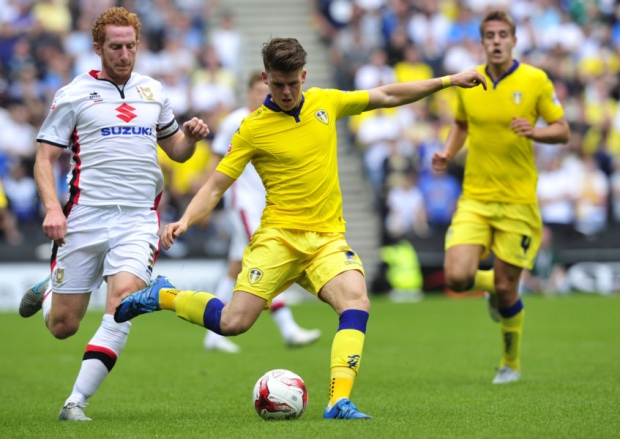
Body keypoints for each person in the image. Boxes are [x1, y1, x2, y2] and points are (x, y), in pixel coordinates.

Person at [115, 37, 485, 420]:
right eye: (278, 84)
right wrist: (185, 220)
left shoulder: (326, 102)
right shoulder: (252, 129)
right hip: (278, 238)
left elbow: (387, 94)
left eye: (293, 82)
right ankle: (163, 295)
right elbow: (215, 186)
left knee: (356, 301)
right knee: (232, 322)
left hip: (326, 239)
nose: (287, 91)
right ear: (265, 78)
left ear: (304, 76)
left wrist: (448, 80)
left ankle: (338, 401)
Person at [18, 7, 209, 421]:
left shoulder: (153, 91)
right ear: (98, 48)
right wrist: (53, 208)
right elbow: (44, 158)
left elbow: (175, 150)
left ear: (139, 45)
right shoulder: (73, 93)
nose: (124, 54)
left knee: (123, 301)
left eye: (130, 46)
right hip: (84, 216)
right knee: (62, 326)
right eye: (115, 47)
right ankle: (50, 290)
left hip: (138, 219)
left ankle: (75, 403)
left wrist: (190, 139)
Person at [432, 10, 571, 385]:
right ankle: (494, 288)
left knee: (510, 287)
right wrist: (448, 151)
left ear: (513, 40)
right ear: (482, 42)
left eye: (502, 34)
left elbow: (563, 130)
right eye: (489, 35)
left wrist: (535, 133)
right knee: (457, 277)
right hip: (476, 198)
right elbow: (461, 123)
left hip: (518, 201)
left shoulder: (535, 80)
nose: (496, 40)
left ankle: (510, 363)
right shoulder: (471, 81)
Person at [204, 71, 321, 353]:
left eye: (264, 91)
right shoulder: (235, 121)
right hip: (244, 203)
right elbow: (216, 162)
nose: (262, 96)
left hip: (266, 204)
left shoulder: (276, 119)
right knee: (268, 257)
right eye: (258, 91)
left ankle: (213, 334)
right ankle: (288, 326)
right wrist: (207, 203)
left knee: (235, 268)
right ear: (249, 93)